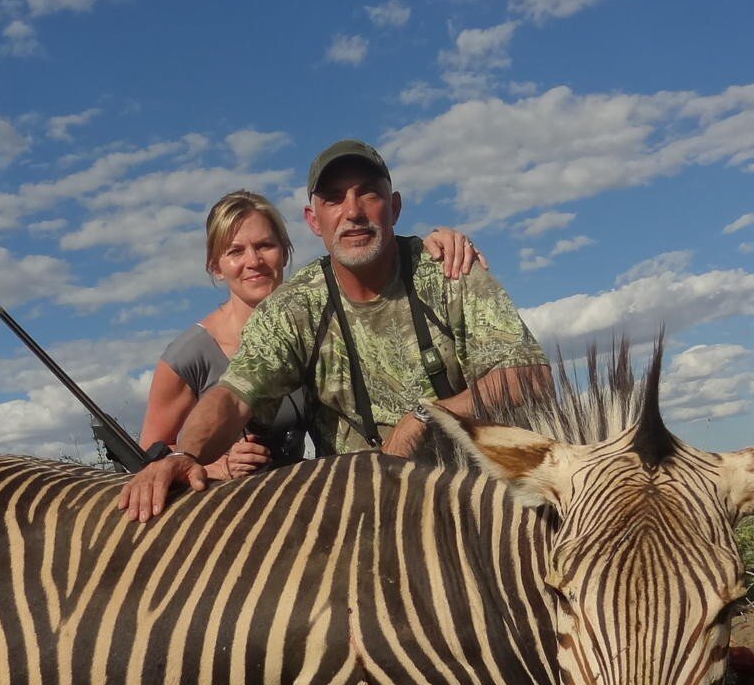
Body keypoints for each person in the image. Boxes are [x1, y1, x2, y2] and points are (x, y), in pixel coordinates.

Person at [121, 138, 550, 520]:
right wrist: (185, 454)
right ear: (313, 220)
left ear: (394, 206)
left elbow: (528, 376)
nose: (353, 212)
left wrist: (425, 417)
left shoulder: (449, 270)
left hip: (478, 499)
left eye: (368, 193)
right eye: (333, 199)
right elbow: (233, 395)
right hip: (363, 513)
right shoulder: (294, 307)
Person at [138, 188, 487, 481]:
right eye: (235, 252)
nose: (254, 261)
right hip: (228, 511)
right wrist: (212, 465)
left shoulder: (312, 321)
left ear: (285, 250)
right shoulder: (189, 354)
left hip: (303, 497)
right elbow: (150, 455)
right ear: (216, 266)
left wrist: (431, 249)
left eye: (265, 246)